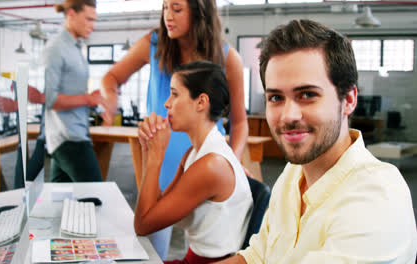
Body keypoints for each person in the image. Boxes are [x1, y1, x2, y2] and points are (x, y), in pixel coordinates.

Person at [216, 19, 417, 264]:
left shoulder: (376, 197)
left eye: (308, 95)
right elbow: (257, 256)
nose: (289, 116)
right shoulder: (293, 174)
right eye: (276, 97)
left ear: (350, 99)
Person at [101, 0, 248, 258]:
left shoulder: (227, 57)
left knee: (182, 230)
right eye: (165, 7)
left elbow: (239, 122)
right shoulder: (154, 44)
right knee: (151, 244)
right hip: (160, 155)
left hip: (199, 162)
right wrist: (110, 98)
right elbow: (111, 77)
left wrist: (232, 165)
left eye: (177, 9)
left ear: (199, 12)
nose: (168, 16)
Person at [135, 61, 253, 264]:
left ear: (201, 102)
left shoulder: (211, 165)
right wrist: (148, 149)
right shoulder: (195, 153)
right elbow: (156, 209)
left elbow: (144, 225)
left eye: (175, 94)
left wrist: (157, 155)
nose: (167, 103)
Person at [44, 0, 108, 182]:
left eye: (94, 20)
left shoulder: (75, 49)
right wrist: (88, 99)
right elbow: (50, 99)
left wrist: (93, 98)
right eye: (88, 19)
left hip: (74, 134)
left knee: (60, 199)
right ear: (71, 14)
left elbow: (73, 92)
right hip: (68, 138)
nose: (92, 26)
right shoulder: (56, 49)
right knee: (96, 196)